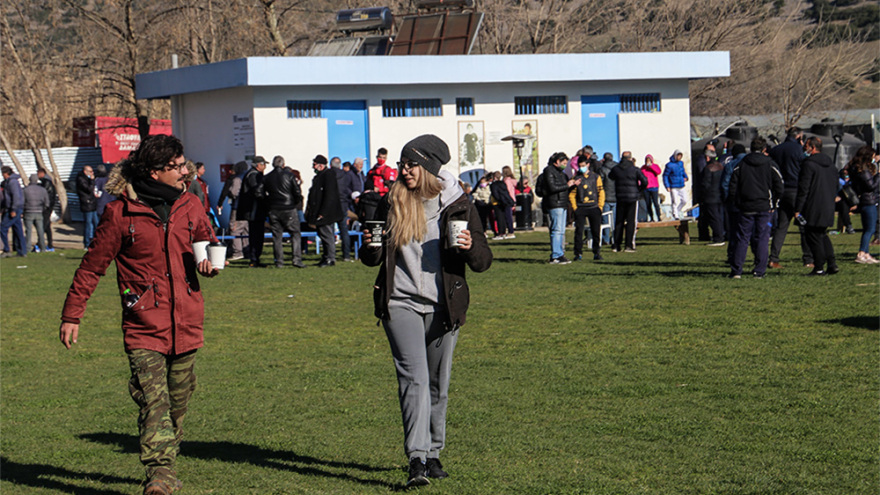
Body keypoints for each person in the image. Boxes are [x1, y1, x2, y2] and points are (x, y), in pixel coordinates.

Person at [59, 134, 219, 495]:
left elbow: (206, 242)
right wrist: (72, 314)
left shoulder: (191, 204)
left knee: (178, 402)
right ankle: (160, 474)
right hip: (143, 325)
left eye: (183, 164)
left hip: (187, 322)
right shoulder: (120, 213)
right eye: (176, 167)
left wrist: (210, 262)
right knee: (153, 400)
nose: (184, 171)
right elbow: (91, 267)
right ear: (153, 172)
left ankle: (167, 460)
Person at [359, 134, 492, 488]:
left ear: (429, 167)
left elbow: (483, 261)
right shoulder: (391, 201)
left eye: (411, 164)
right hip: (399, 301)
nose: (404, 170)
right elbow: (371, 257)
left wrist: (469, 247)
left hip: (443, 304)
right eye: (402, 164)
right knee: (414, 378)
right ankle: (416, 458)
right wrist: (370, 245)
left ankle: (434, 453)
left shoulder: (458, 204)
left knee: (437, 382)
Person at [727, 137, 784, 279]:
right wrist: (774, 202)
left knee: (742, 238)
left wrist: (737, 202)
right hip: (765, 207)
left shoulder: (741, 164)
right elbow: (779, 185)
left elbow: (732, 186)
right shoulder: (770, 164)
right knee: (762, 238)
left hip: (745, 207)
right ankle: (759, 270)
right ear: (764, 149)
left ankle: (737, 270)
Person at [795, 136, 839, 276]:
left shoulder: (809, 165)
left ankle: (819, 267)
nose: (804, 149)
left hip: (813, 205)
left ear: (812, 148)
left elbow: (804, 188)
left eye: (806, 146)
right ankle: (831, 263)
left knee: (812, 236)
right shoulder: (831, 165)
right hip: (827, 203)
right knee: (822, 234)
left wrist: (798, 209)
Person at [768, 127, 812, 269]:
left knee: (781, 226)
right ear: (799, 136)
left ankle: (773, 258)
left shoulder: (776, 150)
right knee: (803, 226)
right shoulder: (799, 150)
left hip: (782, 190)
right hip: (796, 190)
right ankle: (808, 259)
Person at [264, 155, 305, 268]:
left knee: (277, 236)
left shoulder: (267, 177)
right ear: (283, 164)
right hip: (288, 208)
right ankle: (296, 259)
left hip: (273, 209)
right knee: (295, 233)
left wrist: (268, 202)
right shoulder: (289, 176)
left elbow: (259, 192)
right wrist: (294, 202)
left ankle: (279, 261)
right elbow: (297, 192)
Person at [540, 152, 580, 264]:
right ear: (557, 161)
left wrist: (573, 185)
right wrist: (567, 185)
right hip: (555, 203)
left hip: (562, 203)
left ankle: (560, 253)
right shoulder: (549, 171)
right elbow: (552, 187)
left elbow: (564, 189)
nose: (565, 165)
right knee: (556, 230)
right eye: (564, 163)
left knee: (561, 230)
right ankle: (556, 255)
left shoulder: (561, 174)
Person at [305, 154, 344, 267]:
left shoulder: (328, 175)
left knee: (327, 236)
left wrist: (323, 213)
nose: (313, 167)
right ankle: (326, 256)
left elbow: (329, 196)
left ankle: (330, 258)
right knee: (323, 235)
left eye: (314, 164)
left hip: (326, 213)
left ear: (321, 165)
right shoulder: (320, 176)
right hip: (320, 211)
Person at [608, 153, 648, 252]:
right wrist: (639, 190)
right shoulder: (635, 169)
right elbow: (645, 181)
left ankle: (616, 245)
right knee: (631, 222)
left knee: (619, 221)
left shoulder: (616, 169)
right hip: (632, 198)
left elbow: (610, 176)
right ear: (630, 158)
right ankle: (628, 245)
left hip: (620, 197)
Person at [569, 155, 605, 261]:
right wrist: (575, 208)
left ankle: (596, 252)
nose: (581, 168)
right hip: (581, 208)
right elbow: (572, 194)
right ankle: (578, 253)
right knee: (579, 232)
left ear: (588, 165)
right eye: (580, 166)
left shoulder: (596, 177)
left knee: (596, 232)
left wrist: (600, 206)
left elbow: (601, 192)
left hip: (594, 207)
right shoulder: (576, 178)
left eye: (583, 166)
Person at [849, 146, 880, 264]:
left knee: (867, 228)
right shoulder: (864, 171)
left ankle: (866, 253)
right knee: (870, 229)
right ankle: (862, 253)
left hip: (863, 200)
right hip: (869, 200)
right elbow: (871, 186)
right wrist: (878, 175)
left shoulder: (855, 168)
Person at [217, 161, 249, 260]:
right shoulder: (249, 177)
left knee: (235, 229)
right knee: (245, 230)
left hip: (237, 207)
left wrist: (228, 195)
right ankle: (247, 250)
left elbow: (234, 192)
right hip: (248, 208)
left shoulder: (237, 179)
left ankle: (237, 252)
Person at [239, 156, 268, 267]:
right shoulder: (254, 175)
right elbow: (256, 190)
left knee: (256, 235)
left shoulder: (251, 174)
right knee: (256, 235)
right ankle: (254, 259)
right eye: (263, 164)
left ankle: (255, 258)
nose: (265, 167)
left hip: (253, 210)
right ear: (258, 165)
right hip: (254, 210)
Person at [331, 156, 355, 262]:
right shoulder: (345, 175)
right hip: (343, 205)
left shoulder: (329, 174)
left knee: (330, 231)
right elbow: (347, 189)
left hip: (332, 205)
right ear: (340, 165)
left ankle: (331, 254)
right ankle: (346, 255)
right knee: (344, 231)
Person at [700, 155, 726, 246]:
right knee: (718, 217)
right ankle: (720, 235)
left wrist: (702, 195)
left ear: (708, 158)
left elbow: (705, 184)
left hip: (710, 197)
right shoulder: (721, 167)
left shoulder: (708, 168)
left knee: (713, 218)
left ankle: (718, 238)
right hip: (719, 196)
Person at [1, 166, 25, 257]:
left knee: (3, 228)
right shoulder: (11, 181)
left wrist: (13, 209)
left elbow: (16, 196)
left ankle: (6, 249)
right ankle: (22, 251)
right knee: (18, 229)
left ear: (6, 173)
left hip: (13, 209)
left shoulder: (12, 182)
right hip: (14, 208)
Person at [23, 174, 50, 253]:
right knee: (40, 230)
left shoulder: (25, 190)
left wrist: (23, 210)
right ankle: (43, 248)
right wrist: (43, 209)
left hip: (28, 211)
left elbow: (22, 202)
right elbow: (47, 203)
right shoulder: (42, 190)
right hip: (39, 212)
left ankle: (27, 248)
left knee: (28, 231)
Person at [694, 143, 716, 241]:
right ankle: (704, 234)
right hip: (703, 191)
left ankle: (704, 234)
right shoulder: (702, 161)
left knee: (705, 214)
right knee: (704, 214)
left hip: (705, 190)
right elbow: (702, 174)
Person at [76, 164, 99, 249]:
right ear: (85, 172)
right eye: (90, 171)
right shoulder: (81, 179)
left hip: (92, 203)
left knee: (96, 223)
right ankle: (87, 243)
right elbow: (88, 189)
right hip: (87, 204)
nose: (92, 173)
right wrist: (92, 181)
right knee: (88, 224)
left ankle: (97, 241)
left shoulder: (86, 179)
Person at [598, 152, 618, 245]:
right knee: (614, 219)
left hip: (606, 196)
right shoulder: (617, 168)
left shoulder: (602, 169)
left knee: (605, 219)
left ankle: (606, 238)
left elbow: (600, 183)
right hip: (615, 196)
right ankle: (614, 237)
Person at [663, 150, 688, 220]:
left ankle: (677, 210)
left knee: (685, 200)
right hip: (673, 186)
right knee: (675, 201)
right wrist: (667, 186)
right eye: (678, 156)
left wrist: (686, 177)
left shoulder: (681, 163)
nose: (679, 157)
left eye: (680, 156)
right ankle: (675, 214)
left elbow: (683, 171)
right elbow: (665, 176)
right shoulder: (669, 165)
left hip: (681, 185)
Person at [490, 171, 515, 239]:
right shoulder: (503, 183)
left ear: (494, 177)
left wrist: (499, 201)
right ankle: (509, 232)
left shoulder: (493, 185)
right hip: (506, 201)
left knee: (500, 218)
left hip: (498, 203)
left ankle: (501, 233)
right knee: (507, 218)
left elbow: (495, 194)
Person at [37, 168, 57, 251]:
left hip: (46, 207)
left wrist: (45, 205)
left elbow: (46, 195)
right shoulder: (46, 182)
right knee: (47, 225)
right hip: (48, 206)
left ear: (42, 173)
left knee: (43, 225)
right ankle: (50, 243)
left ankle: (40, 243)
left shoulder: (46, 182)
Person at [641, 154, 662, 222]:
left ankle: (659, 216)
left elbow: (658, 172)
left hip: (654, 187)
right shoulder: (643, 168)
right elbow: (640, 176)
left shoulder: (655, 166)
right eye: (647, 160)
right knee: (648, 203)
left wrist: (651, 166)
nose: (648, 161)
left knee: (656, 202)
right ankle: (651, 217)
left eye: (649, 160)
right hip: (646, 188)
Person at [501, 166, 518, 237]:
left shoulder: (506, 181)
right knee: (509, 216)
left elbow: (507, 190)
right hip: (512, 198)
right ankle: (510, 230)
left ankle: (511, 231)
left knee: (508, 216)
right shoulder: (512, 180)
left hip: (508, 199)